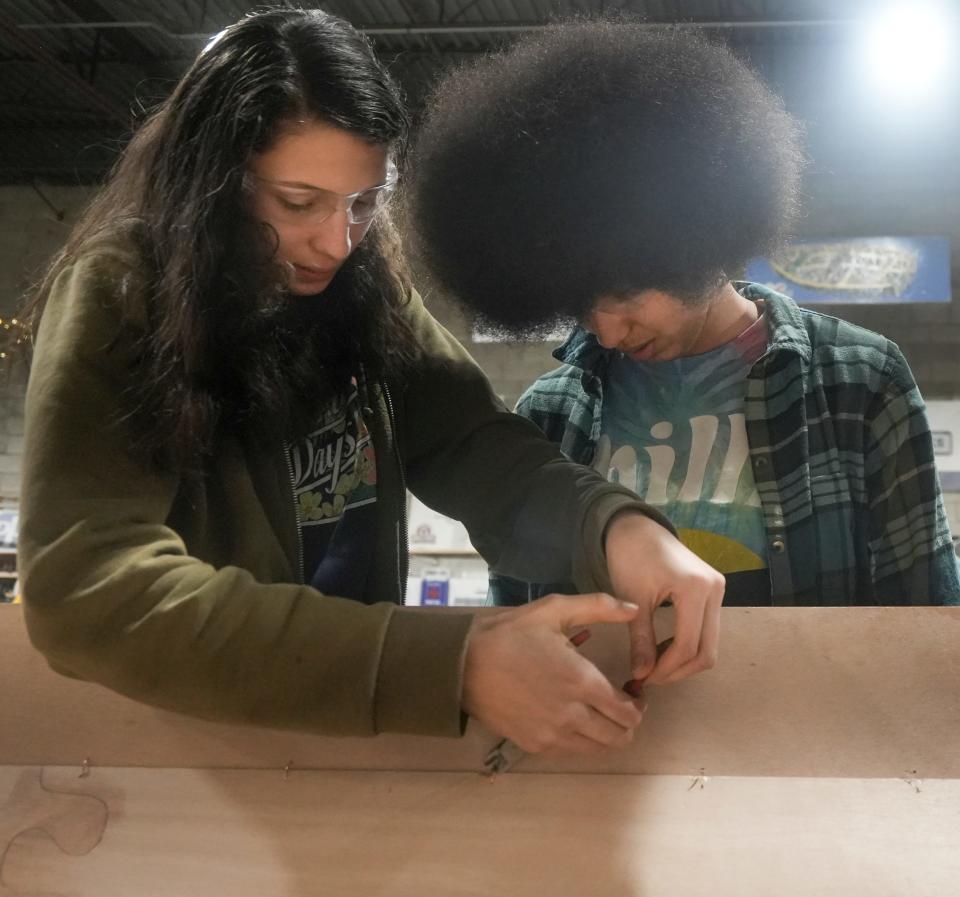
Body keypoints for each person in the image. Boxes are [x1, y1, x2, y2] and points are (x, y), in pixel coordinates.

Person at [16, 8, 725, 757]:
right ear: (213, 179)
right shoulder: (124, 289)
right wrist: (443, 663)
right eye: (298, 204)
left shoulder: (363, 282)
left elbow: (475, 444)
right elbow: (88, 586)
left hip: (351, 742)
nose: (336, 240)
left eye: (364, 202)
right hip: (206, 757)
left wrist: (615, 527)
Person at [406, 20, 960, 606]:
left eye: (626, 293)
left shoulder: (857, 382)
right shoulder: (549, 415)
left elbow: (924, 615)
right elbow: (523, 617)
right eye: (578, 303)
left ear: (698, 237)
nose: (609, 331)